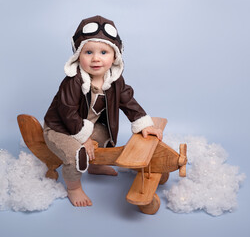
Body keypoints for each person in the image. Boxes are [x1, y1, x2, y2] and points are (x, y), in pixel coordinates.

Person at [43, 15, 163, 207]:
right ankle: (73, 187)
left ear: (115, 56)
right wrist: (84, 139)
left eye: (104, 52)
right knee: (77, 154)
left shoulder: (114, 81)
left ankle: (96, 166)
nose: (96, 58)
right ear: (78, 55)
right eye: (88, 52)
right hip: (61, 129)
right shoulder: (72, 82)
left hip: (84, 127)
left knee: (106, 134)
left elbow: (128, 101)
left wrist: (143, 123)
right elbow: (67, 113)